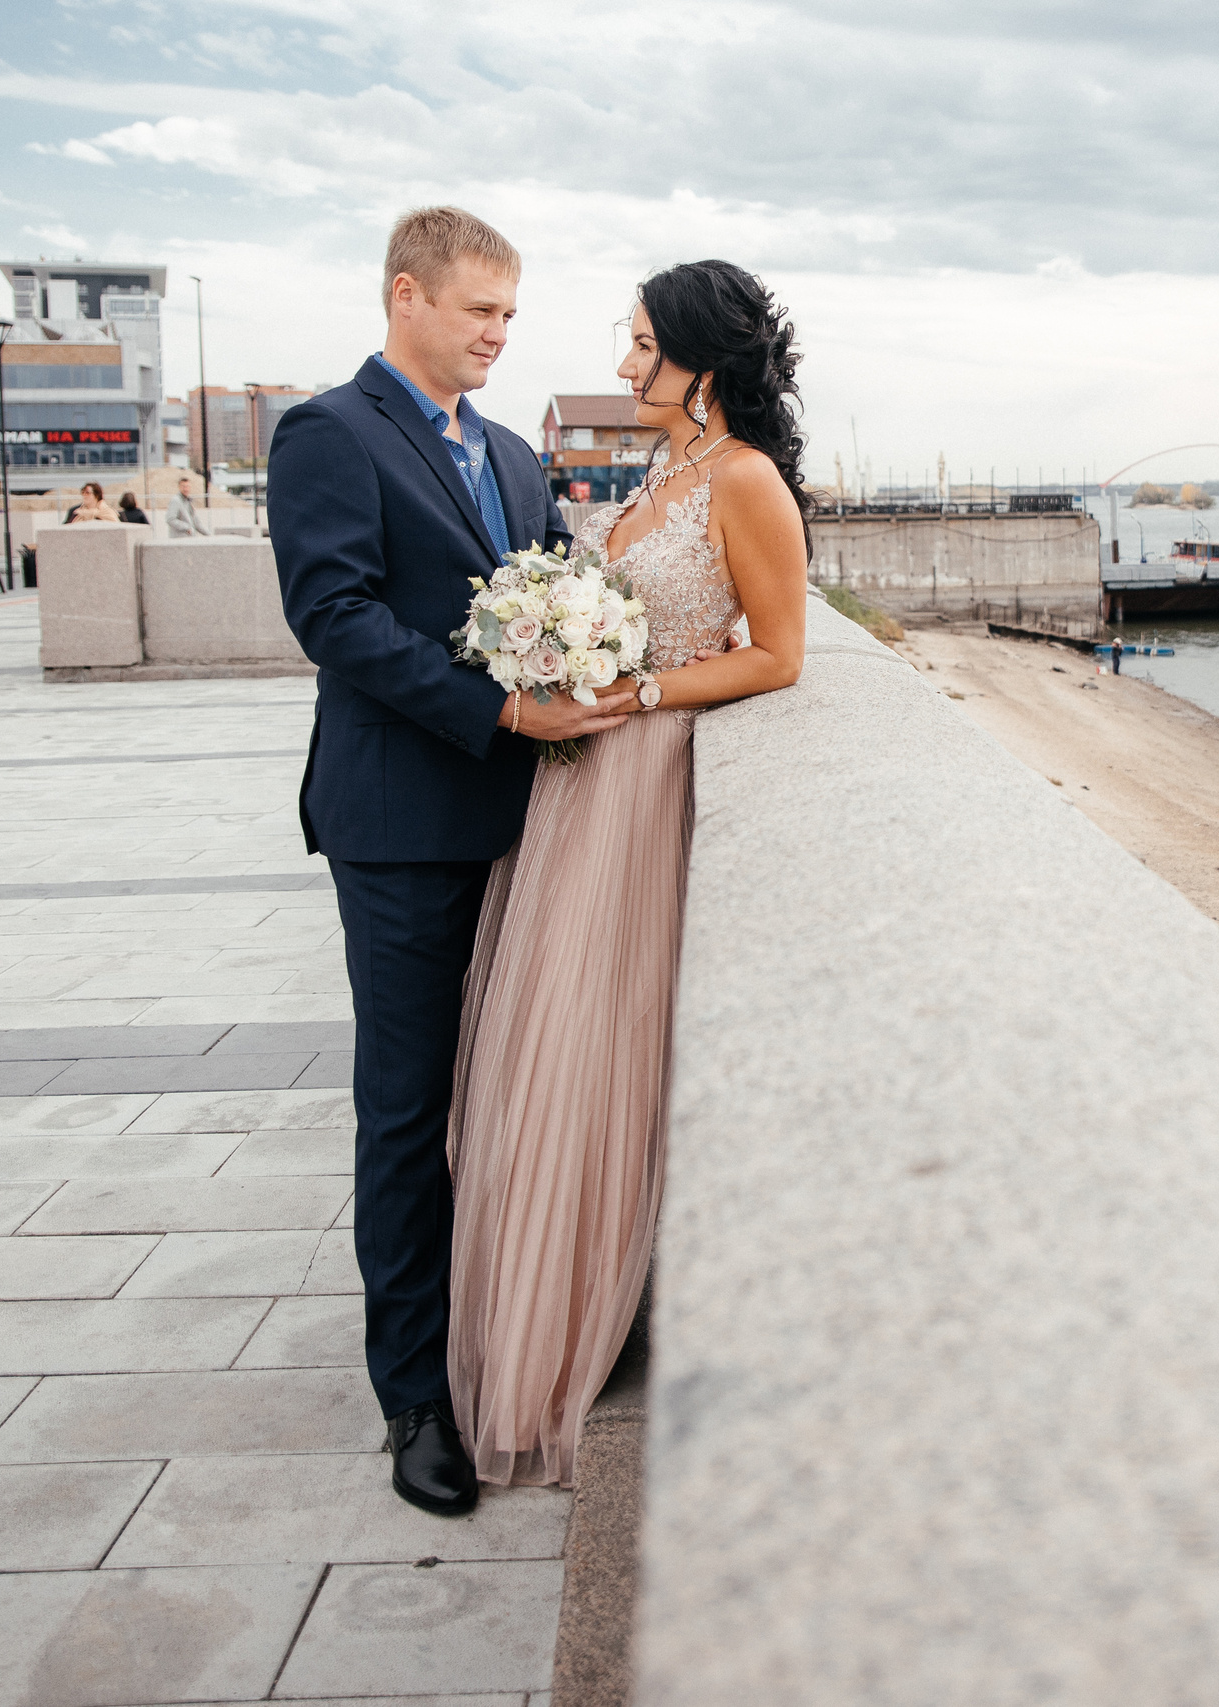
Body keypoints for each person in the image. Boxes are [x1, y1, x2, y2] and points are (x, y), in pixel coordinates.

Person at [271, 206, 624, 1517]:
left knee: (518, 1087)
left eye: (510, 315)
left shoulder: (516, 456)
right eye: (480, 310)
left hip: (531, 820)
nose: (497, 334)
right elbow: (335, 614)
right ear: (405, 296)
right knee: (409, 1107)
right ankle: (414, 1394)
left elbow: (555, 589)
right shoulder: (327, 432)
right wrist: (502, 710)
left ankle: (507, 1333)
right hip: (401, 825)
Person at [446, 259, 808, 1488]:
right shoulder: (663, 473)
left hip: (642, 776)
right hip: (579, 781)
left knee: (602, 1034)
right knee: (545, 1032)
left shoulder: (744, 481)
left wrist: (636, 691)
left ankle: (573, 1325)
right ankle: (529, 1316)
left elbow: (778, 656)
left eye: (643, 345)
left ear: (703, 362)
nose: (623, 365)